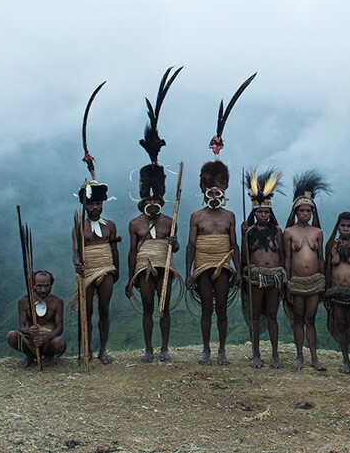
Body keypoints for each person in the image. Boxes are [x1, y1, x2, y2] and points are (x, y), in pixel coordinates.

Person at [186, 74, 255, 366]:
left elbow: (235, 245)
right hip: (202, 266)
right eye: (210, 191)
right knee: (206, 310)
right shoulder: (196, 216)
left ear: (223, 191)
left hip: (225, 266)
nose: (214, 195)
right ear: (205, 191)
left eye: (218, 190)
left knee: (223, 311)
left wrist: (238, 270)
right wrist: (189, 271)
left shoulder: (230, 216)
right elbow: (190, 245)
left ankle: (223, 350)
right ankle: (205, 349)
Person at [125, 67, 183, 362]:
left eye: (157, 198)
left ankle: (164, 348)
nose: (153, 203)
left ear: (161, 198)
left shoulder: (168, 220)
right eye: (149, 199)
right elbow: (132, 250)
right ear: (142, 199)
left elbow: (177, 245)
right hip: (143, 267)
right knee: (148, 306)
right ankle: (148, 349)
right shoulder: (135, 223)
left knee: (164, 305)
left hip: (165, 266)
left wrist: (173, 245)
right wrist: (129, 277)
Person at [283, 171, 329, 371]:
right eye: (301, 211)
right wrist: (287, 284)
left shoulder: (317, 232)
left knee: (310, 319)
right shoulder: (289, 232)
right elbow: (287, 258)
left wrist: (323, 283)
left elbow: (320, 259)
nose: (305, 214)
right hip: (296, 281)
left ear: (312, 212)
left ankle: (314, 357)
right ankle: (299, 356)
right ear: (295, 212)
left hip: (314, 281)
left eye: (308, 211)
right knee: (298, 318)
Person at [240, 167, 285, 368]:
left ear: (270, 212)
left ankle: (275, 354)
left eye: (266, 211)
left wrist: (284, 279)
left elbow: (282, 255)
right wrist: (242, 234)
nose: (263, 214)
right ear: (254, 212)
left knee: (272, 315)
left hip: (274, 278)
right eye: (260, 211)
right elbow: (244, 257)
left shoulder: (277, 231)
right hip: (256, 278)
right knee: (255, 316)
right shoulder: (248, 232)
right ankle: (256, 354)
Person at [72, 180, 120, 364]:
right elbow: (76, 251)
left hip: (106, 269)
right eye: (91, 204)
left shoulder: (110, 226)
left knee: (104, 309)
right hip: (88, 271)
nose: (95, 207)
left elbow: (114, 250)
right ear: (84, 205)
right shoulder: (78, 228)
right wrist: (77, 264)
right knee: (86, 312)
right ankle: (86, 350)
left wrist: (117, 270)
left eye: (98, 204)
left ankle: (103, 350)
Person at [324, 211, 350, 375]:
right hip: (336, 293)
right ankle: (345, 361)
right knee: (341, 326)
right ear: (338, 226)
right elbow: (328, 269)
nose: (345, 228)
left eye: (349, 226)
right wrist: (327, 291)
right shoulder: (331, 246)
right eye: (342, 225)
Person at [7, 270, 66, 367]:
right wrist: (30, 331)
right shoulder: (24, 302)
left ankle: (49, 356)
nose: (43, 290)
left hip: (48, 341)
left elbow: (59, 328)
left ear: (51, 285)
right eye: (39, 286)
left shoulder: (57, 302)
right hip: (31, 340)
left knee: (59, 343)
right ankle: (30, 354)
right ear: (32, 285)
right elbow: (21, 327)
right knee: (11, 336)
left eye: (47, 286)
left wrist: (44, 339)